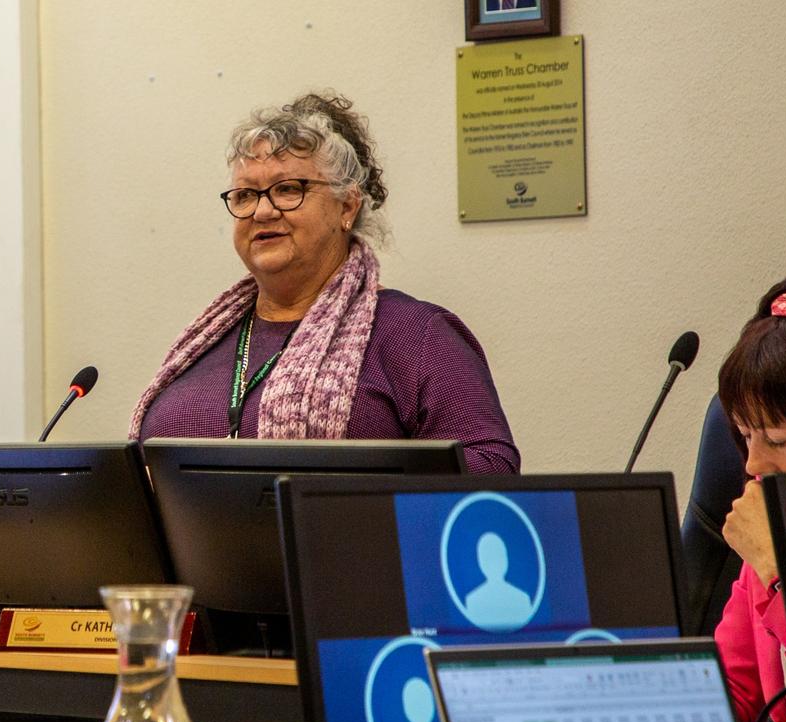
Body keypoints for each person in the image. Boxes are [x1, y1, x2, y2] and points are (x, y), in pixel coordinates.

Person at [129, 92, 519, 475]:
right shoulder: (206, 340)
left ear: (347, 206)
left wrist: (351, 496)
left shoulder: (417, 335)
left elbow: (493, 469)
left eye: (288, 190)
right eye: (246, 195)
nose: (262, 211)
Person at [714, 271, 786, 722]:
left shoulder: (769, 551)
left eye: (777, 439)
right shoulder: (774, 523)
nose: (755, 461)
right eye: (745, 434)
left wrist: (780, 572)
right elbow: (732, 692)